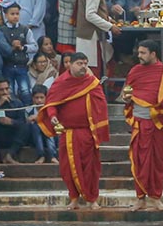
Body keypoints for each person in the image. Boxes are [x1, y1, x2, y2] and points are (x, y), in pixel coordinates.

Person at [38, 52, 110, 210]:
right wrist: (53, 117)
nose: (83, 67)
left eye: (85, 63)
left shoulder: (92, 82)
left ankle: (92, 200)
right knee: (68, 168)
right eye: (79, 63)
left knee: (91, 168)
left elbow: (101, 104)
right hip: (68, 133)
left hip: (87, 132)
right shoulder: (60, 83)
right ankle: (74, 199)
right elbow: (51, 104)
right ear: (70, 64)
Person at [123, 41, 163, 211]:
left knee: (157, 163)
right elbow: (127, 93)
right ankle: (140, 199)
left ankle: (156, 198)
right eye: (139, 52)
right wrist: (126, 99)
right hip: (139, 124)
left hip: (158, 125)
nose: (139, 56)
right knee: (138, 161)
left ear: (153, 54)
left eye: (143, 53)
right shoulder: (135, 71)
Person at [76, 0, 120, 77]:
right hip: (90, 35)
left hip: (91, 35)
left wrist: (108, 18)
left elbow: (97, 11)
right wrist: (110, 26)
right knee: (92, 70)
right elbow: (90, 14)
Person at [0, 77, 30, 164]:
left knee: (26, 127)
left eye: (7, 89)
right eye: (1, 90)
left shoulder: (16, 102)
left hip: (12, 135)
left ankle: (10, 155)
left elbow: (23, 122)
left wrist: (12, 122)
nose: (5, 92)